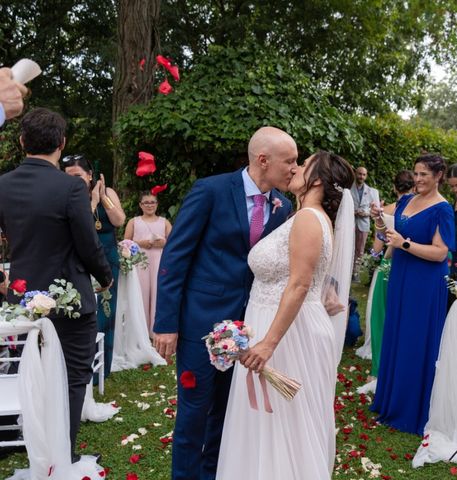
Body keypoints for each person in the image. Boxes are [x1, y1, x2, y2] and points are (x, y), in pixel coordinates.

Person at [153, 126, 296, 479]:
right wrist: (166, 323)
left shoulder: (284, 206)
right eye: (289, 161)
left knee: (227, 414)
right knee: (193, 413)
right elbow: (176, 256)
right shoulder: (210, 191)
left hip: (249, 327)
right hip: (200, 325)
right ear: (263, 160)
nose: (295, 167)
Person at [217, 150, 355, 480]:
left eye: (303, 164)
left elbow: (299, 284)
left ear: (318, 179)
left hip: (288, 332)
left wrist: (268, 344)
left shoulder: (309, 218)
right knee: (276, 423)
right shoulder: (306, 215)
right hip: (281, 321)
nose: (294, 168)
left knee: (286, 425)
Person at [0, 108, 112, 460]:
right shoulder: (70, 187)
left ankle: (36, 445)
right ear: (61, 144)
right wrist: (105, 277)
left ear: (21, 142)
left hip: (22, 299)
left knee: (31, 371)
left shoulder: (1, 185)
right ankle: (61, 452)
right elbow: (87, 243)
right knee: (74, 374)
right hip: (72, 301)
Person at [370, 154, 455, 435]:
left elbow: (441, 252)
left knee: (414, 339)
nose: (418, 179)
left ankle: (409, 408)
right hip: (401, 276)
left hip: (425, 282)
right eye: (416, 174)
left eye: (424, 175)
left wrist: (405, 244)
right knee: (395, 334)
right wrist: (379, 222)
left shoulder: (443, 209)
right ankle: (389, 400)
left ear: (438, 176)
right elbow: (387, 237)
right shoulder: (406, 201)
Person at [62, 155, 126, 379]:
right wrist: (89, 204)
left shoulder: (108, 193)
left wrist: (101, 197)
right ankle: (82, 365)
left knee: (106, 313)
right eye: (68, 176)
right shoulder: (67, 196)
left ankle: (103, 367)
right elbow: (79, 228)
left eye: (78, 176)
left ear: (90, 176)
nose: (74, 180)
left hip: (106, 258)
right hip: (79, 260)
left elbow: (119, 221)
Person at [360, 169, 414, 391]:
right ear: (413, 187)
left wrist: (372, 260)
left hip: (388, 268)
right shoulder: (415, 211)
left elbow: (379, 243)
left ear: (394, 188)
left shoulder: (389, 210)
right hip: (407, 268)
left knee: (381, 319)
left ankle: (378, 371)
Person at [124, 192, 172, 334]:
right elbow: (124, 243)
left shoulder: (165, 222)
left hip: (159, 263)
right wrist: (140, 243)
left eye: (152, 202)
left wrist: (164, 243)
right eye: (146, 202)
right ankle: (140, 332)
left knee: (158, 294)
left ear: (157, 204)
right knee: (141, 294)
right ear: (140, 205)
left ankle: (156, 331)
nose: (150, 205)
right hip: (140, 264)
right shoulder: (134, 221)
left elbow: (175, 244)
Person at [350, 166, 379, 278]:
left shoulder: (371, 191)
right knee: (349, 247)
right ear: (355, 174)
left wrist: (365, 213)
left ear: (366, 176)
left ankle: (355, 273)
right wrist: (353, 211)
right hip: (350, 222)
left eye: (363, 174)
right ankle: (346, 271)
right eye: (359, 174)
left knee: (360, 249)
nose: (361, 176)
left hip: (363, 224)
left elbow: (374, 210)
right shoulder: (348, 188)